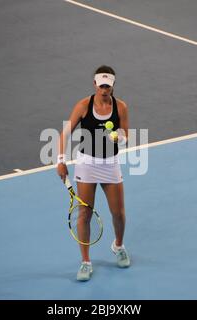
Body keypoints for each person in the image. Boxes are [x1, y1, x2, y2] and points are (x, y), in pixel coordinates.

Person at [57, 65, 130, 281]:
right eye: (101, 86)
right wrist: (60, 161)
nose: (104, 89)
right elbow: (65, 133)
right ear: (95, 84)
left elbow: (126, 132)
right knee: (85, 214)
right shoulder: (83, 105)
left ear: (113, 85)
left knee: (118, 213)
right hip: (86, 164)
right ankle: (86, 262)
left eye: (108, 86)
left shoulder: (121, 107)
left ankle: (118, 245)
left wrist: (120, 137)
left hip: (110, 164)